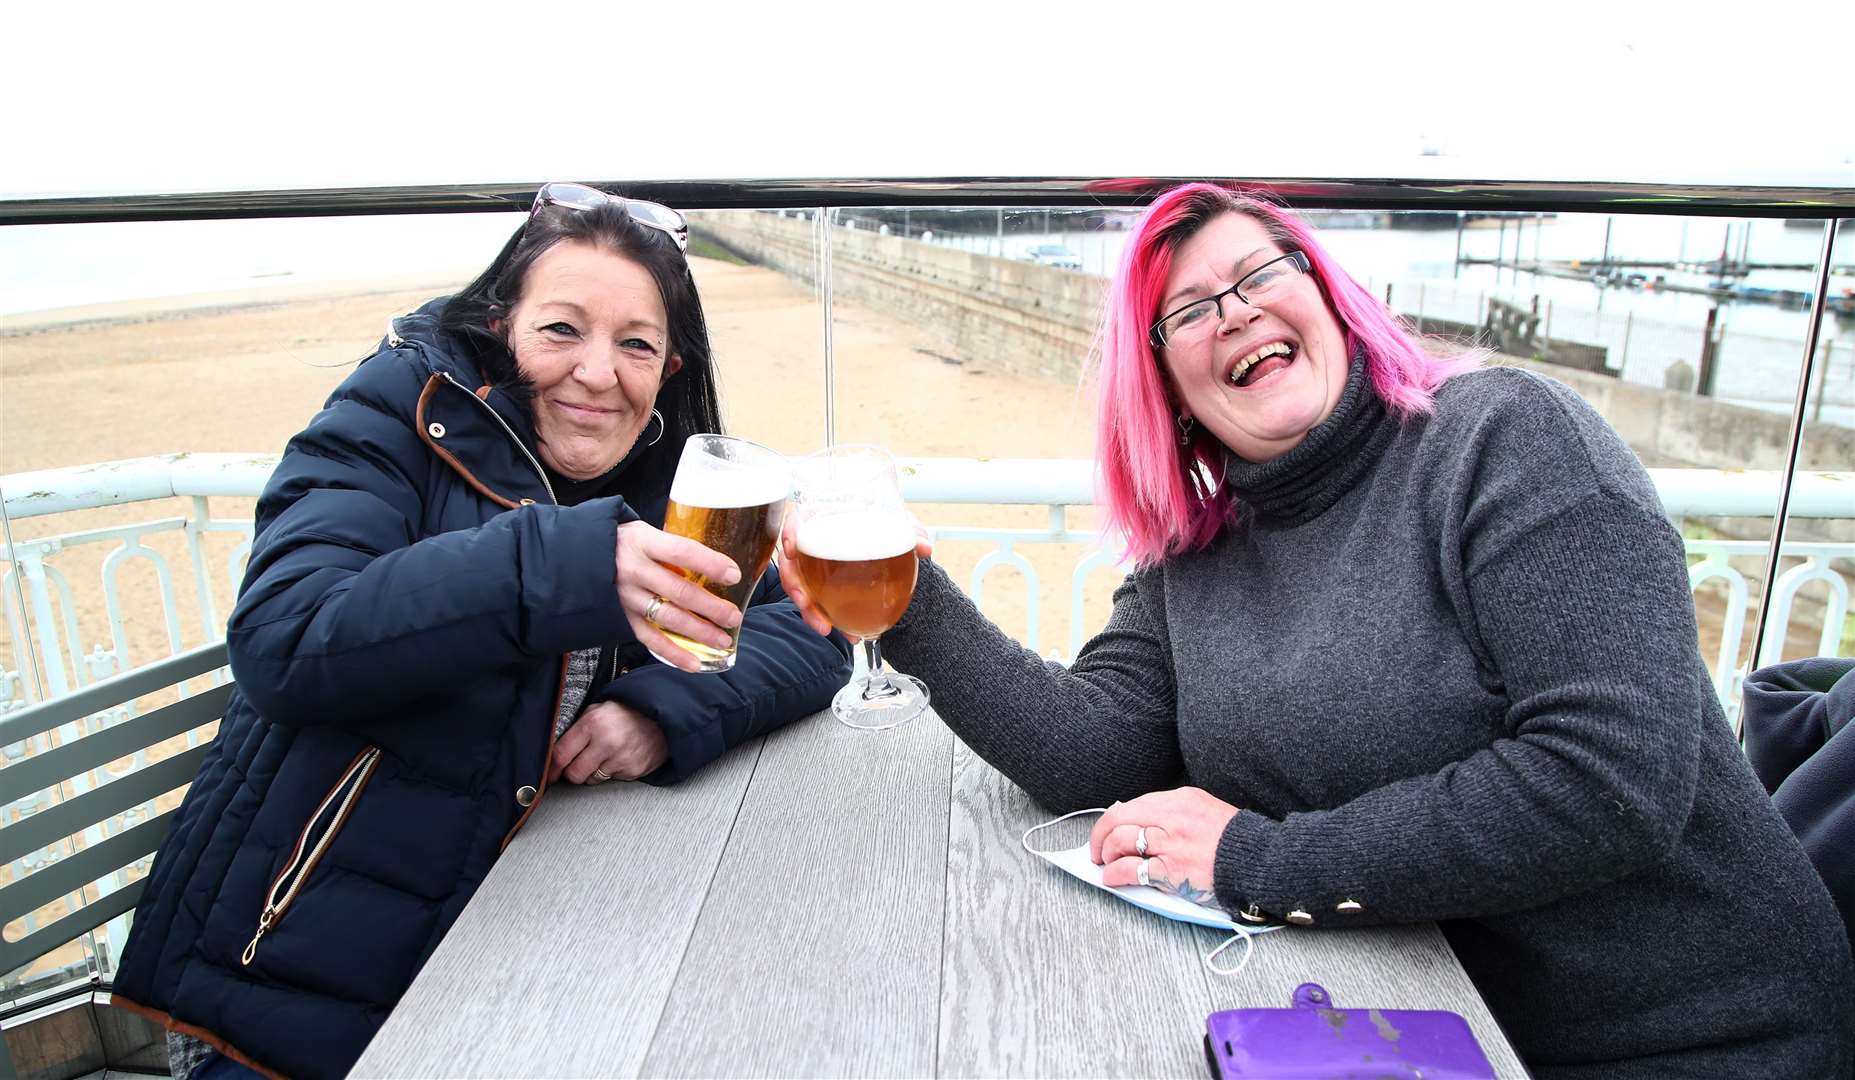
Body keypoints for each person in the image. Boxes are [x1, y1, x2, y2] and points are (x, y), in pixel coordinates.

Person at [780, 184, 1855, 1077]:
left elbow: (1609, 778)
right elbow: (1089, 751)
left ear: (1327, 297)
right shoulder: (1190, 556)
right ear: (1168, 387)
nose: (1234, 311)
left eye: (1259, 274)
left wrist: (1258, 858)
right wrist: (907, 601)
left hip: (1696, 1039)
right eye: (1189, 310)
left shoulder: (1506, 439)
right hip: (1425, 1026)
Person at [111, 184, 851, 1079]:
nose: (596, 372)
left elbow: (811, 633)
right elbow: (287, 637)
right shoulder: (394, 414)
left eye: (636, 345)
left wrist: (658, 708)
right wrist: (568, 569)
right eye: (561, 330)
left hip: (507, 950)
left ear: (669, 372)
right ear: (502, 325)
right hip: (285, 987)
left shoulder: (664, 481)